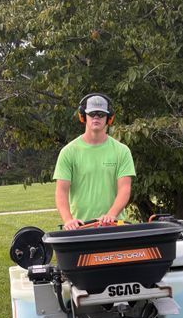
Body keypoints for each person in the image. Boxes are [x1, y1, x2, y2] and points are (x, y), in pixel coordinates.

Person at [53, 93, 136, 230]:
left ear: (109, 118)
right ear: (83, 116)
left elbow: (124, 189)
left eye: (101, 114)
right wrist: (68, 220)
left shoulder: (122, 151)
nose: (96, 117)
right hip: (80, 228)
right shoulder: (68, 152)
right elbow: (61, 191)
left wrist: (111, 215)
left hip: (114, 227)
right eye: (92, 114)